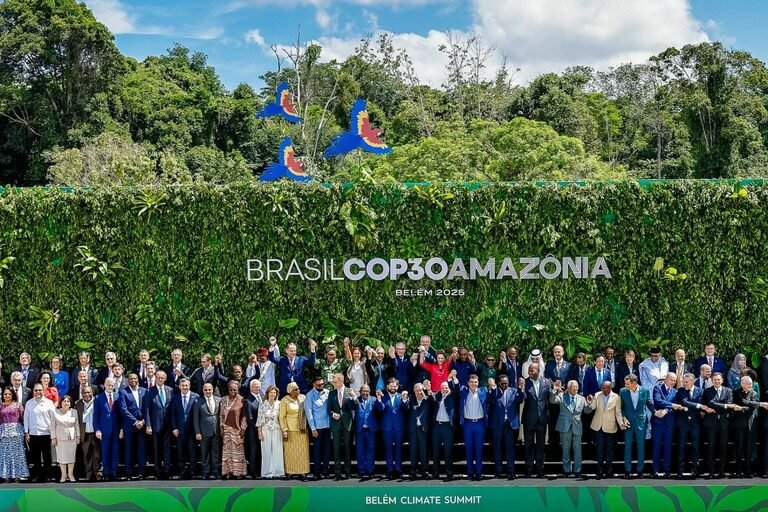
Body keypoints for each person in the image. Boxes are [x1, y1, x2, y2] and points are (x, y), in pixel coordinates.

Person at [550, 379, 593, 478]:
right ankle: (566, 470)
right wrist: (554, 390)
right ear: (568, 388)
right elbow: (552, 400)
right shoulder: (561, 396)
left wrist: (590, 404)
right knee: (565, 449)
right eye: (573, 388)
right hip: (564, 426)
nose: (575, 390)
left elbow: (586, 411)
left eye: (577, 388)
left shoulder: (582, 398)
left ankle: (577, 470)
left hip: (577, 426)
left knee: (577, 449)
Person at [487, 374, 524, 479]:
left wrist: (521, 389)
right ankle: (498, 471)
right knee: (497, 448)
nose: (504, 385)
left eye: (506, 383)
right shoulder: (494, 391)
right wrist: (493, 389)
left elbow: (520, 399)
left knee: (510, 449)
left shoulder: (514, 390)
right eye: (502, 383)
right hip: (497, 424)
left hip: (510, 424)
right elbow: (490, 400)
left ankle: (511, 471)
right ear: (498, 383)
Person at [455, 373, 488, 481]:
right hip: (468, 424)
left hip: (479, 423)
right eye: (472, 382)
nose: (474, 384)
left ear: (478, 383)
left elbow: (492, 395)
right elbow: (455, 387)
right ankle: (470, 472)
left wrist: (493, 386)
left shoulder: (483, 391)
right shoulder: (464, 391)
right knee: (469, 449)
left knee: (479, 449)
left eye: (475, 382)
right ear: (468, 383)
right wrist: (454, 378)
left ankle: (478, 473)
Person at [619, 374, 653, 478]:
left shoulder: (645, 390)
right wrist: (623, 418)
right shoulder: (623, 391)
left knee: (641, 446)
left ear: (634, 383)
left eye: (628, 383)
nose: (626, 385)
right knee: (627, 446)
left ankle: (640, 470)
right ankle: (627, 470)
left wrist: (655, 412)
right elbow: (621, 408)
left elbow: (649, 404)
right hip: (628, 422)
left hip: (641, 422)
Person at [521, 362, 551, 478]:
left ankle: (540, 469)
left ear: (538, 370)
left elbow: (551, 398)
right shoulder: (525, 382)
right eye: (529, 370)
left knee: (541, 446)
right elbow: (521, 398)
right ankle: (528, 469)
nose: (529, 372)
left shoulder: (547, 382)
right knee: (528, 446)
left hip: (542, 419)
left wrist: (555, 391)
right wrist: (521, 389)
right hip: (529, 419)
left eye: (532, 370)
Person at [702, 372, 733, 478]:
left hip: (724, 423)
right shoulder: (707, 391)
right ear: (712, 380)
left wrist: (723, 406)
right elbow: (710, 403)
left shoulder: (728, 391)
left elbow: (729, 404)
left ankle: (721, 470)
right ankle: (711, 471)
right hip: (711, 423)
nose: (717, 381)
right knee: (711, 447)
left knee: (723, 447)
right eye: (715, 379)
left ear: (722, 380)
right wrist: (724, 406)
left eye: (719, 379)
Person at [142, 370, 173, 480]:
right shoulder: (149, 391)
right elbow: (146, 409)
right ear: (155, 378)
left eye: (162, 378)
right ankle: (158, 471)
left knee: (167, 449)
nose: (160, 379)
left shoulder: (170, 390)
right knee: (156, 449)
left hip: (168, 425)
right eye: (158, 377)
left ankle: (167, 470)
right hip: (155, 425)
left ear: (165, 379)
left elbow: (171, 409)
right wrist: (148, 425)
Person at [590, 380, 622, 479]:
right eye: (602, 388)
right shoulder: (597, 395)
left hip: (610, 426)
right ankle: (599, 470)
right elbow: (592, 407)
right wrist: (590, 402)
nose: (602, 389)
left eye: (604, 388)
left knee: (609, 450)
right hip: (598, 426)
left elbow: (618, 412)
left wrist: (621, 423)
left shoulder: (616, 397)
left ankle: (609, 470)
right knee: (600, 449)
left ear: (609, 388)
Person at [651, 372, 680, 478]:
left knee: (668, 447)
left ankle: (667, 470)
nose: (672, 382)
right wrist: (671, 405)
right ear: (666, 379)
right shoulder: (657, 388)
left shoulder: (676, 392)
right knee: (656, 447)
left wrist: (667, 410)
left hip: (669, 423)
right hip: (658, 423)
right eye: (671, 379)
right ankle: (655, 470)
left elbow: (676, 406)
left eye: (674, 380)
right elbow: (658, 401)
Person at [24, 383, 55, 482]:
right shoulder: (29, 403)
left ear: (43, 391)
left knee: (47, 457)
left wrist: (53, 434)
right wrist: (26, 432)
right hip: (33, 433)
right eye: (36, 390)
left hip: (46, 433)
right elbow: (26, 419)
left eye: (40, 390)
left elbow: (53, 419)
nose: (38, 392)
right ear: (33, 391)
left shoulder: (49, 403)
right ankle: (37, 476)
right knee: (35, 457)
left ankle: (48, 476)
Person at [93, 378, 122, 481]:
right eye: (109, 385)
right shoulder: (98, 398)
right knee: (105, 452)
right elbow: (96, 416)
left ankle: (114, 472)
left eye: (112, 385)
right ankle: (106, 473)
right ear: (105, 385)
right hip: (104, 430)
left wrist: (122, 429)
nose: (110, 387)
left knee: (115, 452)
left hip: (116, 429)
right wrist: (97, 429)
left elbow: (121, 415)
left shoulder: (118, 396)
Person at [675, 373, 704, 478]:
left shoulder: (700, 391)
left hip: (695, 423)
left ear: (692, 381)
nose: (684, 383)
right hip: (683, 423)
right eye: (684, 381)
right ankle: (680, 470)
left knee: (695, 447)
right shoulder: (681, 391)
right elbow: (684, 402)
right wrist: (697, 406)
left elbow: (699, 403)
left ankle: (695, 470)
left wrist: (693, 406)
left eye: (686, 382)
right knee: (681, 447)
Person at [327, 373, 355, 480]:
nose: (333, 384)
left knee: (348, 449)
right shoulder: (331, 393)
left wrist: (353, 397)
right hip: (336, 425)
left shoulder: (349, 391)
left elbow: (355, 405)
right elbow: (328, 409)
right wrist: (333, 414)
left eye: (335, 382)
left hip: (347, 424)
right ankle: (337, 472)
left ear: (341, 381)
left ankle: (348, 471)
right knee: (336, 449)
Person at [279, 381, 309, 480]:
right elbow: (282, 417)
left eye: (298, 388)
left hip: (302, 429)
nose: (298, 390)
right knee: (290, 452)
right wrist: (284, 429)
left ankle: (303, 472)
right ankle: (290, 472)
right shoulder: (284, 400)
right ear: (290, 391)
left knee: (302, 452)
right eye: (295, 389)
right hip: (290, 430)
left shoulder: (303, 398)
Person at [378, 377, 406, 479]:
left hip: (399, 427)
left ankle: (398, 470)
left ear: (397, 386)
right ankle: (389, 470)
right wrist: (379, 400)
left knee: (399, 449)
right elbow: (380, 409)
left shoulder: (401, 396)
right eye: (391, 386)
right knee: (388, 449)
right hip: (387, 427)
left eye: (395, 386)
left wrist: (404, 400)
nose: (393, 388)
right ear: (387, 387)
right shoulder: (384, 397)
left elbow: (406, 408)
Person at [120, 373, 147, 479]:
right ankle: (128, 472)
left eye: (135, 378)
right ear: (128, 380)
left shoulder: (144, 391)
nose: (133, 380)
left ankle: (142, 472)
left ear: (138, 380)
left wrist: (143, 421)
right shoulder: (123, 392)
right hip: (130, 425)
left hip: (142, 425)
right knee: (129, 450)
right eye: (131, 379)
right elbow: (123, 409)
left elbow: (147, 408)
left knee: (141, 449)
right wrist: (135, 422)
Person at [304, 375, 331, 480]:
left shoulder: (327, 392)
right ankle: (317, 472)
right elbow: (309, 412)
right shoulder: (309, 395)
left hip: (327, 426)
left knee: (327, 450)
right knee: (316, 450)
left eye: (322, 384)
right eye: (319, 384)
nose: (321, 386)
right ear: (314, 384)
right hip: (317, 427)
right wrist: (313, 428)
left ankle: (325, 470)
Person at [171, 377, 198, 479]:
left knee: (192, 452)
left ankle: (193, 472)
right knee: (180, 452)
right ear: (179, 387)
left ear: (189, 386)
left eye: (186, 385)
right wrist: (174, 428)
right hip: (180, 430)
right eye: (183, 385)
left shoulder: (196, 397)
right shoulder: (175, 398)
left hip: (192, 430)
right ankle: (182, 471)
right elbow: (172, 415)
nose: (185, 387)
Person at [219, 380, 247, 479]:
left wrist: (243, 428)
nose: (232, 391)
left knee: (238, 452)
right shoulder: (223, 399)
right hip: (226, 430)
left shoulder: (242, 400)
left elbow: (244, 416)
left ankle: (239, 473)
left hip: (237, 430)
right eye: (230, 389)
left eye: (234, 389)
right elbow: (221, 415)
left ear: (238, 389)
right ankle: (228, 472)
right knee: (227, 452)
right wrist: (221, 427)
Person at [731, 375, 758, 477]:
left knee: (748, 449)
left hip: (750, 425)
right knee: (739, 448)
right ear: (742, 384)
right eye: (748, 383)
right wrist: (748, 406)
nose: (751, 385)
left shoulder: (754, 393)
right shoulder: (736, 392)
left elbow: (753, 406)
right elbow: (742, 402)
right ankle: (738, 471)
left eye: (751, 383)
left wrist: (742, 408)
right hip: (739, 424)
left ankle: (748, 471)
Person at [404, 382, 431, 480]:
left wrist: (427, 392)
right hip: (413, 429)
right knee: (413, 451)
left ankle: (424, 471)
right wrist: (404, 399)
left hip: (423, 429)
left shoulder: (427, 399)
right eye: (417, 390)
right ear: (414, 391)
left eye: (420, 390)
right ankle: (413, 472)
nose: (419, 392)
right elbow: (405, 407)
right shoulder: (410, 399)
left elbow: (433, 401)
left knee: (424, 452)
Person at [430, 380, 456, 481]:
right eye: (442, 388)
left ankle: (449, 473)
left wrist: (453, 380)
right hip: (437, 427)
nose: (444, 389)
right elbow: (430, 395)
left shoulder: (453, 396)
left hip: (447, 427)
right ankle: (435, 473)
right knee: (435, 451)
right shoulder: (438, 396)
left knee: (448, 451)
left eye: (446, 387)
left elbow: (457, 389)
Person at [0, 387, 28, 482]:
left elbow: (23, 418)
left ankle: (18, 475)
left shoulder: (18, 405)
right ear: (2, 395)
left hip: (16, 432)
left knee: (17, 455)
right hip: (4, 433)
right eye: (5, 394)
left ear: (13, 395)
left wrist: (25, 432)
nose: (7, 396)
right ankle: (6, 476)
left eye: (9, 394)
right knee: (5, 455)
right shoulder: (0, 406)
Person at [256, 385, 284, 479]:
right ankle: (267, 472)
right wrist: (259, 432)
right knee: (266, 451)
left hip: (277, 429)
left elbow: (282, 418)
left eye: (274, 393)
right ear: (267, 393)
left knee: (277, 450)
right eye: (271, 392)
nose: (273, 394)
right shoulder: (263, 404)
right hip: (265, 430)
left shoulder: (279, 404)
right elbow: (259, 419)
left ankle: (278, 471)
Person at [194, 383, 221, 480]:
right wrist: (197, 432)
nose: (208, 391)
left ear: (212, 390)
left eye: (209, 389)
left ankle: (216, 472)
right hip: (203, 432)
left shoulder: (219, 400)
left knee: (216, 453)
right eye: (206, 390)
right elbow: (195, 418)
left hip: (216, 431)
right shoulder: (198, 401)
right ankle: (205, 473)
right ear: (203, 390)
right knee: (204, 453)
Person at [74, 384, 100, 482]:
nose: (87, 394)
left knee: (97, 454)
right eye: (84, 392)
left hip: (95, 432)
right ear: (82, 394)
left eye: (89, 392)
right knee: (86, 455)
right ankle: (88, 473)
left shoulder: (97, 402)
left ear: (92, 393)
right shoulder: (78, 404)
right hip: (84, 433)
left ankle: (97, 473)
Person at [353, 384, 378, 480]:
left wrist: (379, 399)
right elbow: (350, 407)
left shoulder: (374, 399)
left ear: (370, 391)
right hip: (359, 429)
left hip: (370, 429)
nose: (365, 393)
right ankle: (362, 470)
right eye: (363, 391)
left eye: (367, 391)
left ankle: (370, 470)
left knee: (370, 450)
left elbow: (380, 408)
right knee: (360, 451)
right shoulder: (356, 400)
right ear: (360, 391)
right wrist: (352, 397)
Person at [51, 395, 79, 482]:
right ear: (61, 402)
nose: (66, 403)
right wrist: (53, 438)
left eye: (68, 401)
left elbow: (77, 425)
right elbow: (52, 426)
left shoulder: (74, 412)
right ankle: (63, 475)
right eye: (64, 401)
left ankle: (70, 474)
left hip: (72, 438)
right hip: (60, 438)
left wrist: (78, 436)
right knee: (62, 457)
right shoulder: (55, 412)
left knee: (71, 457)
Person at [244, 379, 263, 479]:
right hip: (253, 430)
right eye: (256, 387)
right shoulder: (248, 400)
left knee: (260, 450)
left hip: (262, 430)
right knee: (253, 450)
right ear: (251, 388)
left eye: (259, 386)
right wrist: (257, 428)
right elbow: (249, 417)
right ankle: (253, 471)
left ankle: (260, 470)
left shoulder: (261, 397)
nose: (258, 388)